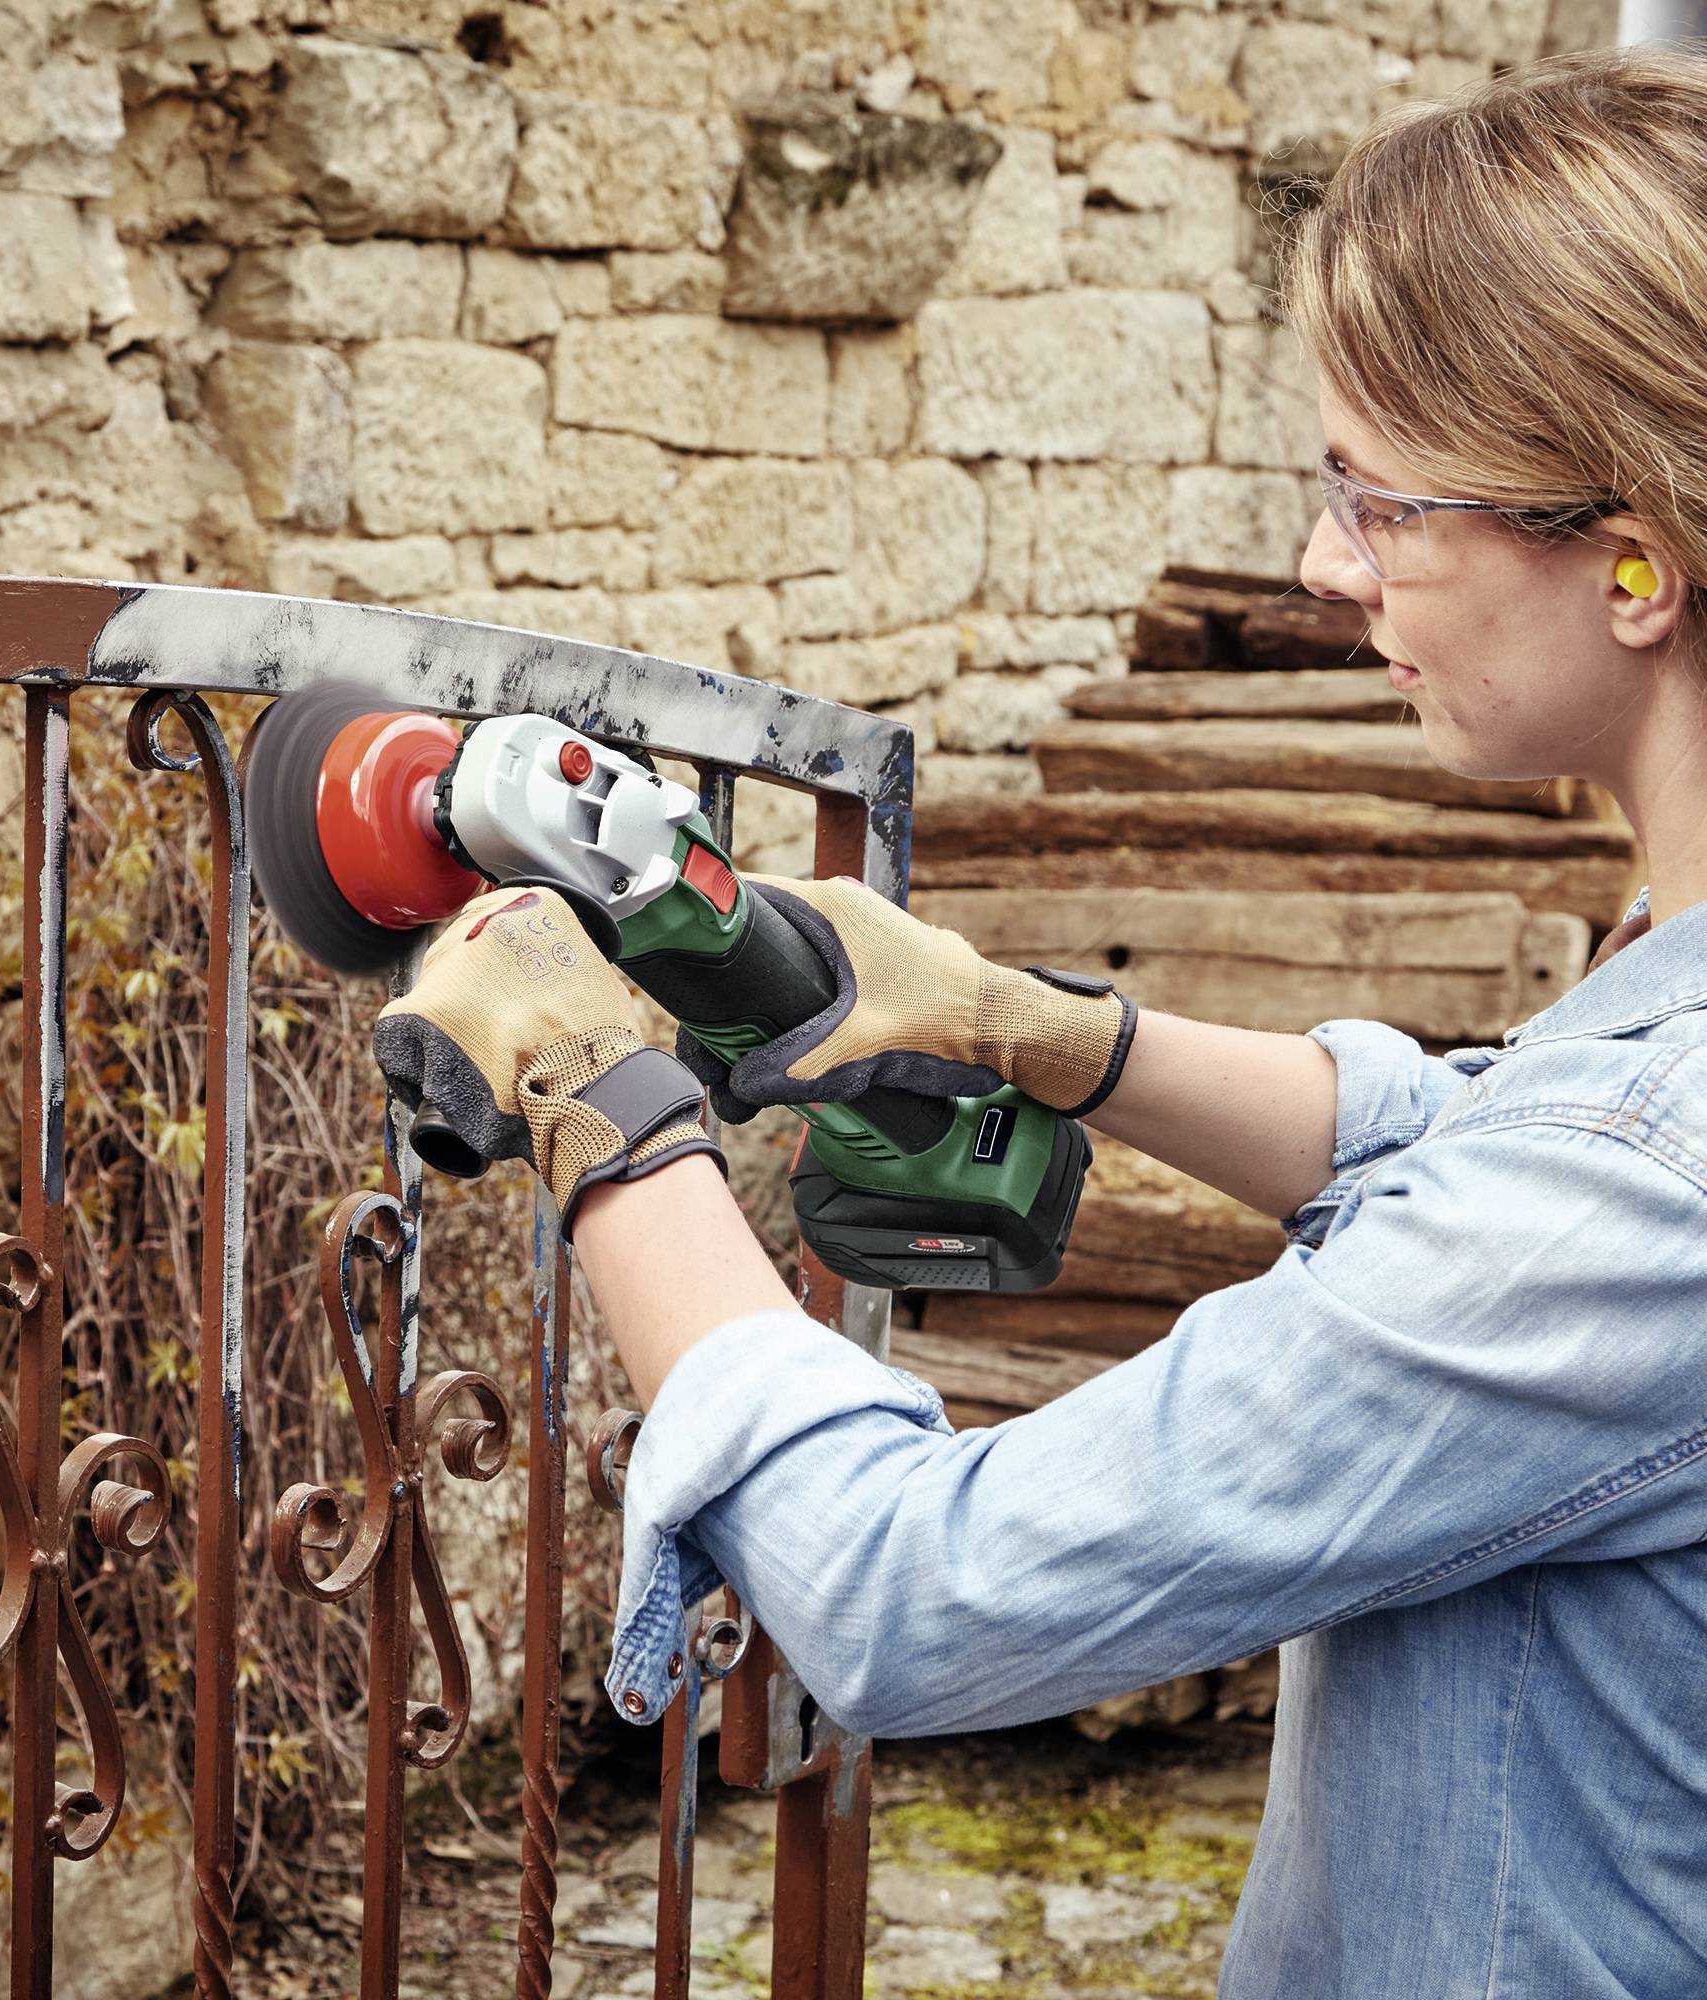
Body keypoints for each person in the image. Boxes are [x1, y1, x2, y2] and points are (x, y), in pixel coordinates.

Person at [371, 46, 1707, 1998]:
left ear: (1635, 558)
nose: (1329, 568)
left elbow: (921, 1590)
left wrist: (598, 1105)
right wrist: (1028, 1024)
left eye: (1379, 498)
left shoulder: (1642, 1182)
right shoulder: (1653, 998)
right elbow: (1481, 1143)